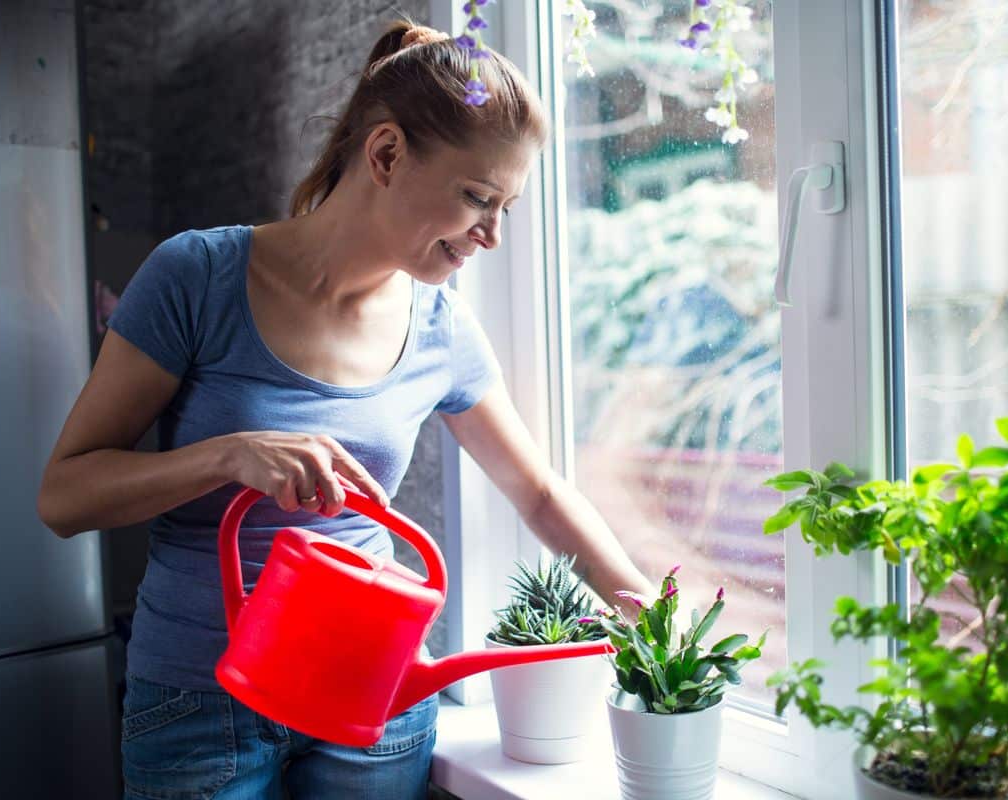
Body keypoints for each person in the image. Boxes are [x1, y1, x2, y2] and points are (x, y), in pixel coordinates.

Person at [37, 21, 654, 800]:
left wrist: (644, 602)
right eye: (477, 198)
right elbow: (63, 497)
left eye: (508, 207)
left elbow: (535, 490)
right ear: (387, 154)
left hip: (375, 707)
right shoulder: (197, 277)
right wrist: (227, 455)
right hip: (198, 706)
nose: (492, 235)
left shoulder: (443, 328)